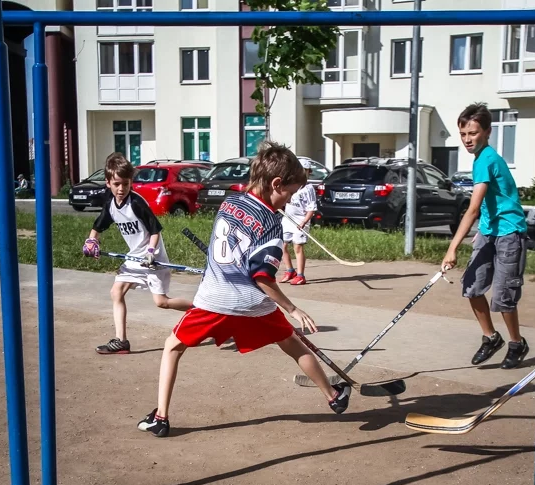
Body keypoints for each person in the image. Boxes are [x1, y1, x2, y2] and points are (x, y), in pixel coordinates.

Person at [137, 141, 351, 438]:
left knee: (172, 347)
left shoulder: (229, 202)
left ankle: (161, 417)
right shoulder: (272, 225)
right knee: (292, 343)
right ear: (276, 184)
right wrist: (293, 309)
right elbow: (262, 277)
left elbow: (227, 250)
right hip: (253, 303)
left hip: (214, 299)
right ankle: (333, 396)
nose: (288, 202)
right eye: (288, 194)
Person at [441, 102, 530, 369]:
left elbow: (473, 209)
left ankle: (517, 343)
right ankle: (491, 337)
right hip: (489, 230)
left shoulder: (487, 159)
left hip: (509, 232)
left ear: (488, 132)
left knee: (503, 297)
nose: (468, 139)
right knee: (472, 286)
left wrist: (452, 248)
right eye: (463, 134)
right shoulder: (480, 160)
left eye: (473, 133)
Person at [83, 152, 191, 355]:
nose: (121, 188)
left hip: (153, 256)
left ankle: (199, 311)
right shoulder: (111, 205)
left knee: (161, 302)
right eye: (116, 184)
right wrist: (91, 241)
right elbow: (99, 225)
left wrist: (151, 252)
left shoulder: (136, 203)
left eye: (125, 183)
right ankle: (121, 341)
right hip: (135, 257)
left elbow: (155, 231)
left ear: (131, 182)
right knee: (116, 292)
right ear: (108, 183)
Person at [279, 159, 318, 285]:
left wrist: (304, 222)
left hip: (300, 221)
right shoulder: (291, 185)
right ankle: (290, 270)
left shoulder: (308, 188)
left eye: (304, 171)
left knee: (297, 247)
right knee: (282, 246)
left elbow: (311, 209)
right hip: (287, 220)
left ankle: (301, 275)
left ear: (308, 172)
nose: (301, 173)